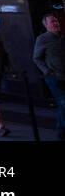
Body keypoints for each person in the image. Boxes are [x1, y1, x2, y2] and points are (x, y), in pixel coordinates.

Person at [31, 11, 64, 141]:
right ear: (46, 25)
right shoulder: (43, 39)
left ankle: (61, 129)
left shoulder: (62, 36)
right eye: (52, 22)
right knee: (63, 102)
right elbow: (36, 58)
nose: (56, 23)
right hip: (54, 77)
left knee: (62, 105)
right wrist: (47, 71)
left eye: (56, 21)